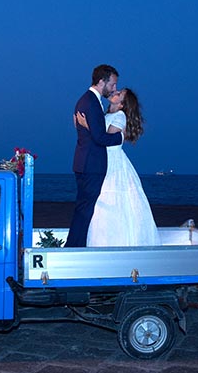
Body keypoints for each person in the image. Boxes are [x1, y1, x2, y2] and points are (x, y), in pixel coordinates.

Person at [76, 88, 161, 247]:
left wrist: (87, 125)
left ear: (122, 104)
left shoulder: (120, 116)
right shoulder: (105, 115)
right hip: (101, 160)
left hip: (112, 162)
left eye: (119, 94)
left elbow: (105, 139)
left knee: (111, 200)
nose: (115, 92)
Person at [65, 64, 124, 248]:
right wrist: (121, 137)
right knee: (85, 210)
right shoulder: (91, 101)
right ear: (101, 81)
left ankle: (75, 246)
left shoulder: (89, 100)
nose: (114, 88)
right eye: (112, 84)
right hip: (91, 165)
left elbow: (92, 133)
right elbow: (99, 137)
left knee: (83, 209)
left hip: (85, 163)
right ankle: (74, 248)